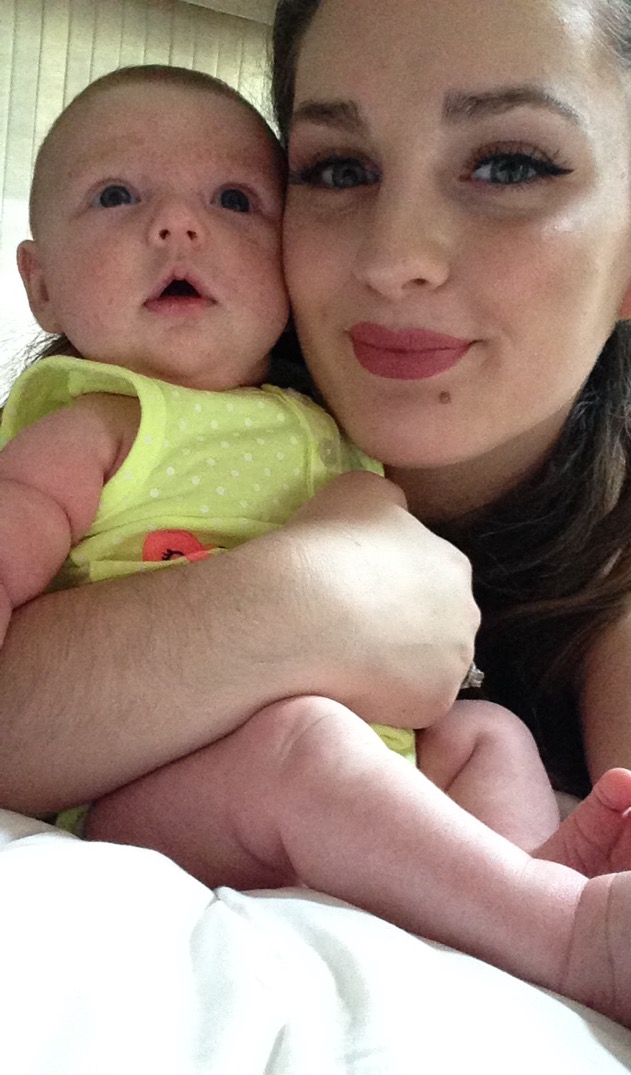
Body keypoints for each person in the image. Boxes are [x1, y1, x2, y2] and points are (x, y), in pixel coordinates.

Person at [2, 3, 631, 1035]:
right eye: (339, 170)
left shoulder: (618, 568)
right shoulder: (131, 410)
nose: (394, 258)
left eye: (510, 165)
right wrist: (306, 598)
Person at [0, 62, 582, 859]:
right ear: (41, 288)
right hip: (169, 776)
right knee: (302, 751)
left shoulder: (329, 417)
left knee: (491, 736)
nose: (177, 225)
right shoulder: (93, 421)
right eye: (117, 195)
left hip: (360, 755)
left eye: (234, 201)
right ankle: (539, 914)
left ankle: (531, 887)